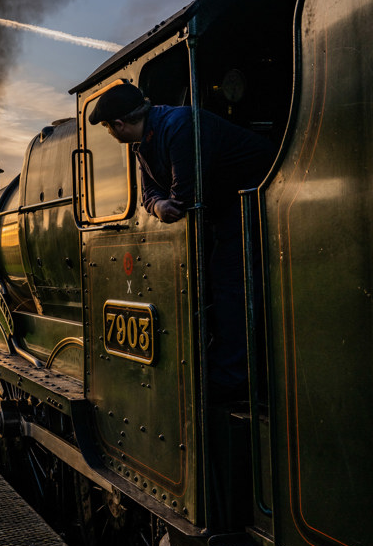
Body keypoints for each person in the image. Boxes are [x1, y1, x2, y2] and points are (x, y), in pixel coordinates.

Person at [88, 82, 277, 402]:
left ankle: (233, 377)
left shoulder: (180, 126)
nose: (110, 133)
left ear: (118, 125)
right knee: (217, 281)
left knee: (230, 283)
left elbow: (185, 195)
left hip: (255, 202)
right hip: (225, 210)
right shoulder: (143, 145)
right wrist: (158, 206)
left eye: (107, 127)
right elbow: (150, 195)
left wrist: (166, 203)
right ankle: (224, 364)